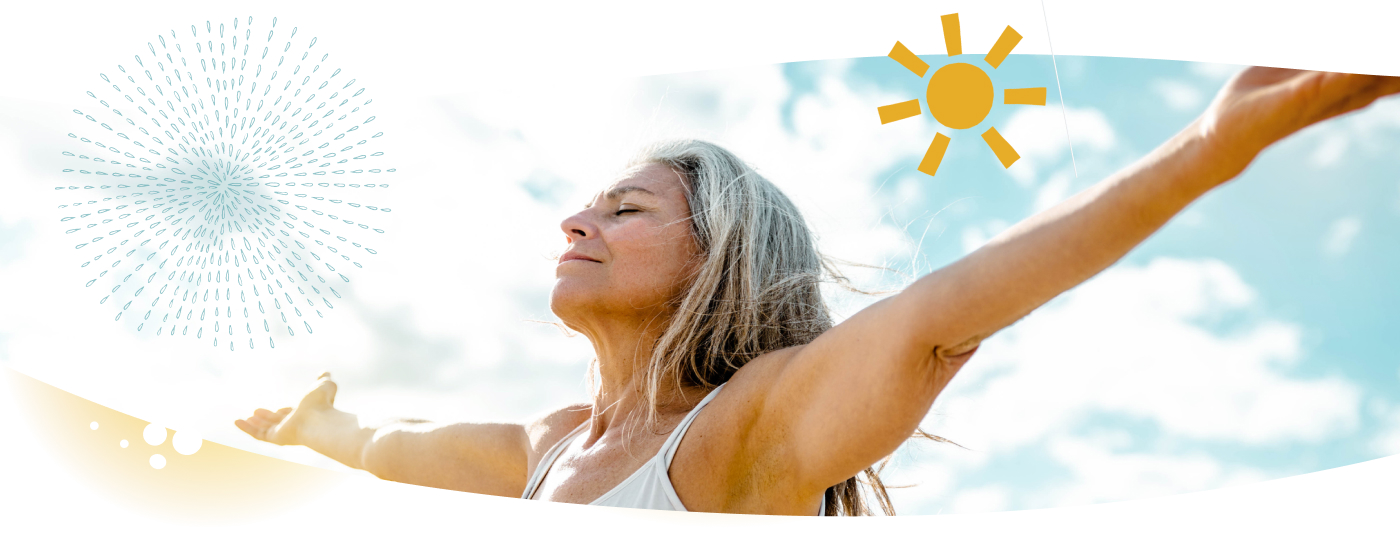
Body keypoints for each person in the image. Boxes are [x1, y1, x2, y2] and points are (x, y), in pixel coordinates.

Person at [236, 68, 1400, 516]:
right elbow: (386, 444)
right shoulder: (543, 446)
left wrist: (1206, 146)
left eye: (626, 209)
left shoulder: (741, 435)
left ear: (716, 258)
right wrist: (312, 430)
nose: (576, 220)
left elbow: (941, 314)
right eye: (587, 204)